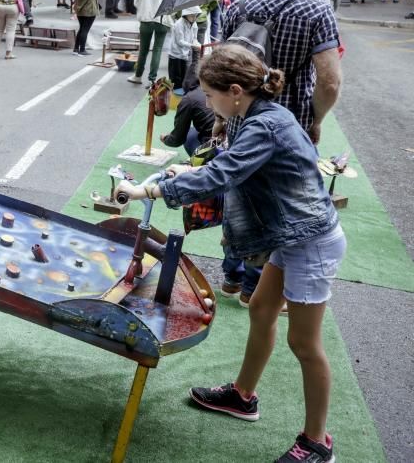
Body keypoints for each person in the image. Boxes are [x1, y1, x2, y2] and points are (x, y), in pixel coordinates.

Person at [117, 44, 346, 463]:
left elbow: (226, 173)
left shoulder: (266, 125)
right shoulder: (253, 116)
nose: (206, 102)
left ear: (235, 90)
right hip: (291, 236)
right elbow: (230, 161)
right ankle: (243, 397)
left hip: (310, 241)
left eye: (209, 94)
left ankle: (318, 442)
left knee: (305, 343)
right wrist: (186, 170)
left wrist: (150, 189)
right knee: (261, 311)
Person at [220, 0, 342, 306]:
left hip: (243, 120)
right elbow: (330, 81)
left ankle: (231, 274)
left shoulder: (239, 9)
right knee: (282, 201)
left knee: (241, 189)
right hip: (290, 127)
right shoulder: (317, 11)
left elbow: (221, 73)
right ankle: (254, 285)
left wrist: (223, 120)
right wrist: (315, 119)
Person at [129, 0, 176, 85]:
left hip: (146, 19)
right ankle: (152, 80)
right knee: (157, 49)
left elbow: (136, 2)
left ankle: (138, 76)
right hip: (162, 20)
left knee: (143, 49)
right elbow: (173, 2)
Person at [160, 84, 214, 157]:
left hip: (217, 151)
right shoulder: (216, 91)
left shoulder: (190, 98)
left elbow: (177, 139)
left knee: (189, 134)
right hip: (223, 144)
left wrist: (166, 139)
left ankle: (200, 161)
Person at [168, 6, 201, 92]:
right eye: (192, 16)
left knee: (184, 76)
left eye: (195, 16)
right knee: (175, 78)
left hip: (185, 54)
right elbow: (180, 41)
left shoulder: (194, 23)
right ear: (186, 14)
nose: (194, 18)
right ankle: (175, 95)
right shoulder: (179, 24)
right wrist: (192, 46)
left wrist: (196, 43)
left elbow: (194, 37)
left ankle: (182, 96)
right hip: (175, 54)